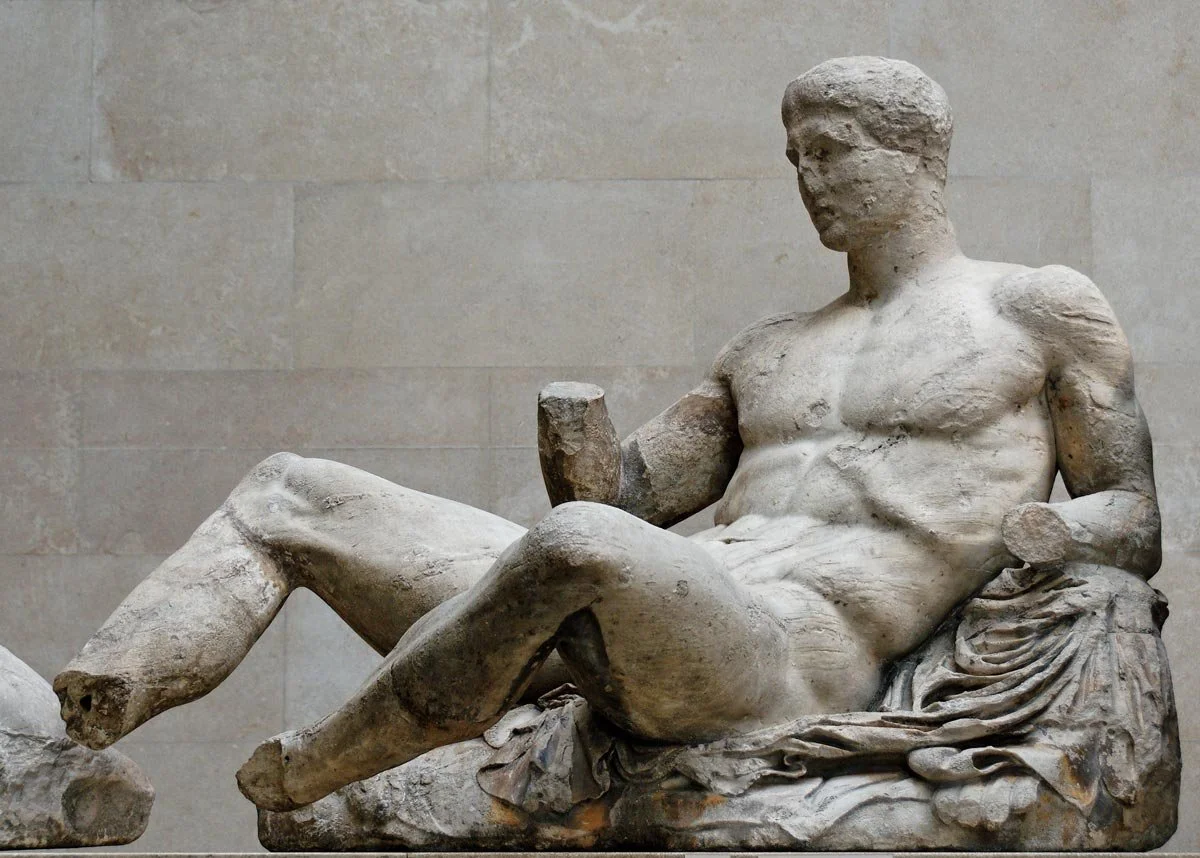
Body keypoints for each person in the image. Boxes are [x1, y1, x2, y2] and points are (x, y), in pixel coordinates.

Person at [54, 57, 1160, 815]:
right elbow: (623, 496)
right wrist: (571, 422)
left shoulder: (1035, 309)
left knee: (580, 550)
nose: (808, 180)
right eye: (795, 158)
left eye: (832, 151)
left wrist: (1054, 536)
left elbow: (1135, 513)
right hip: (638, 598)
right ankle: (85, 721)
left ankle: (320, 765)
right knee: (293, 491)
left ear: (917, 154)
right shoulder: (768, 347)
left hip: (788, 654)